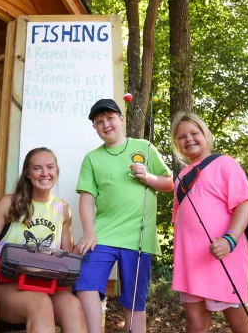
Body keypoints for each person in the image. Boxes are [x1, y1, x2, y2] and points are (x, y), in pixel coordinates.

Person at [73, 98, 174, 333]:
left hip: (139, 238)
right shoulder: (92, 158)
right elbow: (86, 199)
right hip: (103, 235)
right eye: (99, 122)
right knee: (86, 283)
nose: (106, 125)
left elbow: (169, 183)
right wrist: (89, 232)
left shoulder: (145, 147)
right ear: (95, 128)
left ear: (121, 119)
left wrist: (147, 177)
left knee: (135, 300)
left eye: (110, 118)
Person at [0, 147, 87, 333]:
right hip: (4, 283)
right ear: (28, 174)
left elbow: (66, 256)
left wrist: (83, 245)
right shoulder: (10, 203)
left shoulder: (63, 209)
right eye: (37, 168)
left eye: (50, 167)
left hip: (43, 283)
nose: (45, 173)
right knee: (40, 303)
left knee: (72, 304)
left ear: (56, 171)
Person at [170, 112, 248, 333]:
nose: (188, 139)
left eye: (194, 133)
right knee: (196, 323)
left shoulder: (224, 163)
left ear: (205, 135)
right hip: (191, 261)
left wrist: (230, 240)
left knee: (239, 322)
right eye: (181, 136)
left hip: (224, 254)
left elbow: (244, 203)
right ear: (176, 143)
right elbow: (180, 222)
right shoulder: (180, 178)